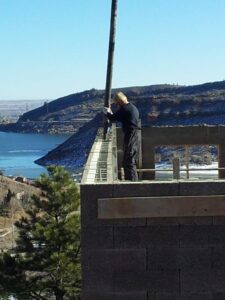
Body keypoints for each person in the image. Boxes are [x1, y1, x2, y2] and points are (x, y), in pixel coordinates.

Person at [103, 92, 140, 181]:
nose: (116, 105)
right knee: (129, 160)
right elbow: (117, 117)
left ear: (119, 102)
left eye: (116, 103)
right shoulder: (132, 107)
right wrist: (110, 113)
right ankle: (132, 182)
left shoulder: (124, 109)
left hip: (130, 135)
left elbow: (112, 118)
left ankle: (133, 184)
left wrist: (106, 112)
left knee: (129, 161)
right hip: (134, 134)